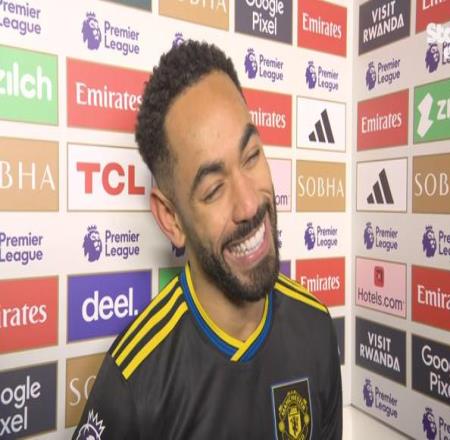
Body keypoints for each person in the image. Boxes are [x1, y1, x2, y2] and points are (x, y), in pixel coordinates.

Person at [73, 40, 342, 440]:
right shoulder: (135, 381)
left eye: (251, 156)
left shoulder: (316, 327)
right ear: (171, 219)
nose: (249, 204)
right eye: (214, 189)